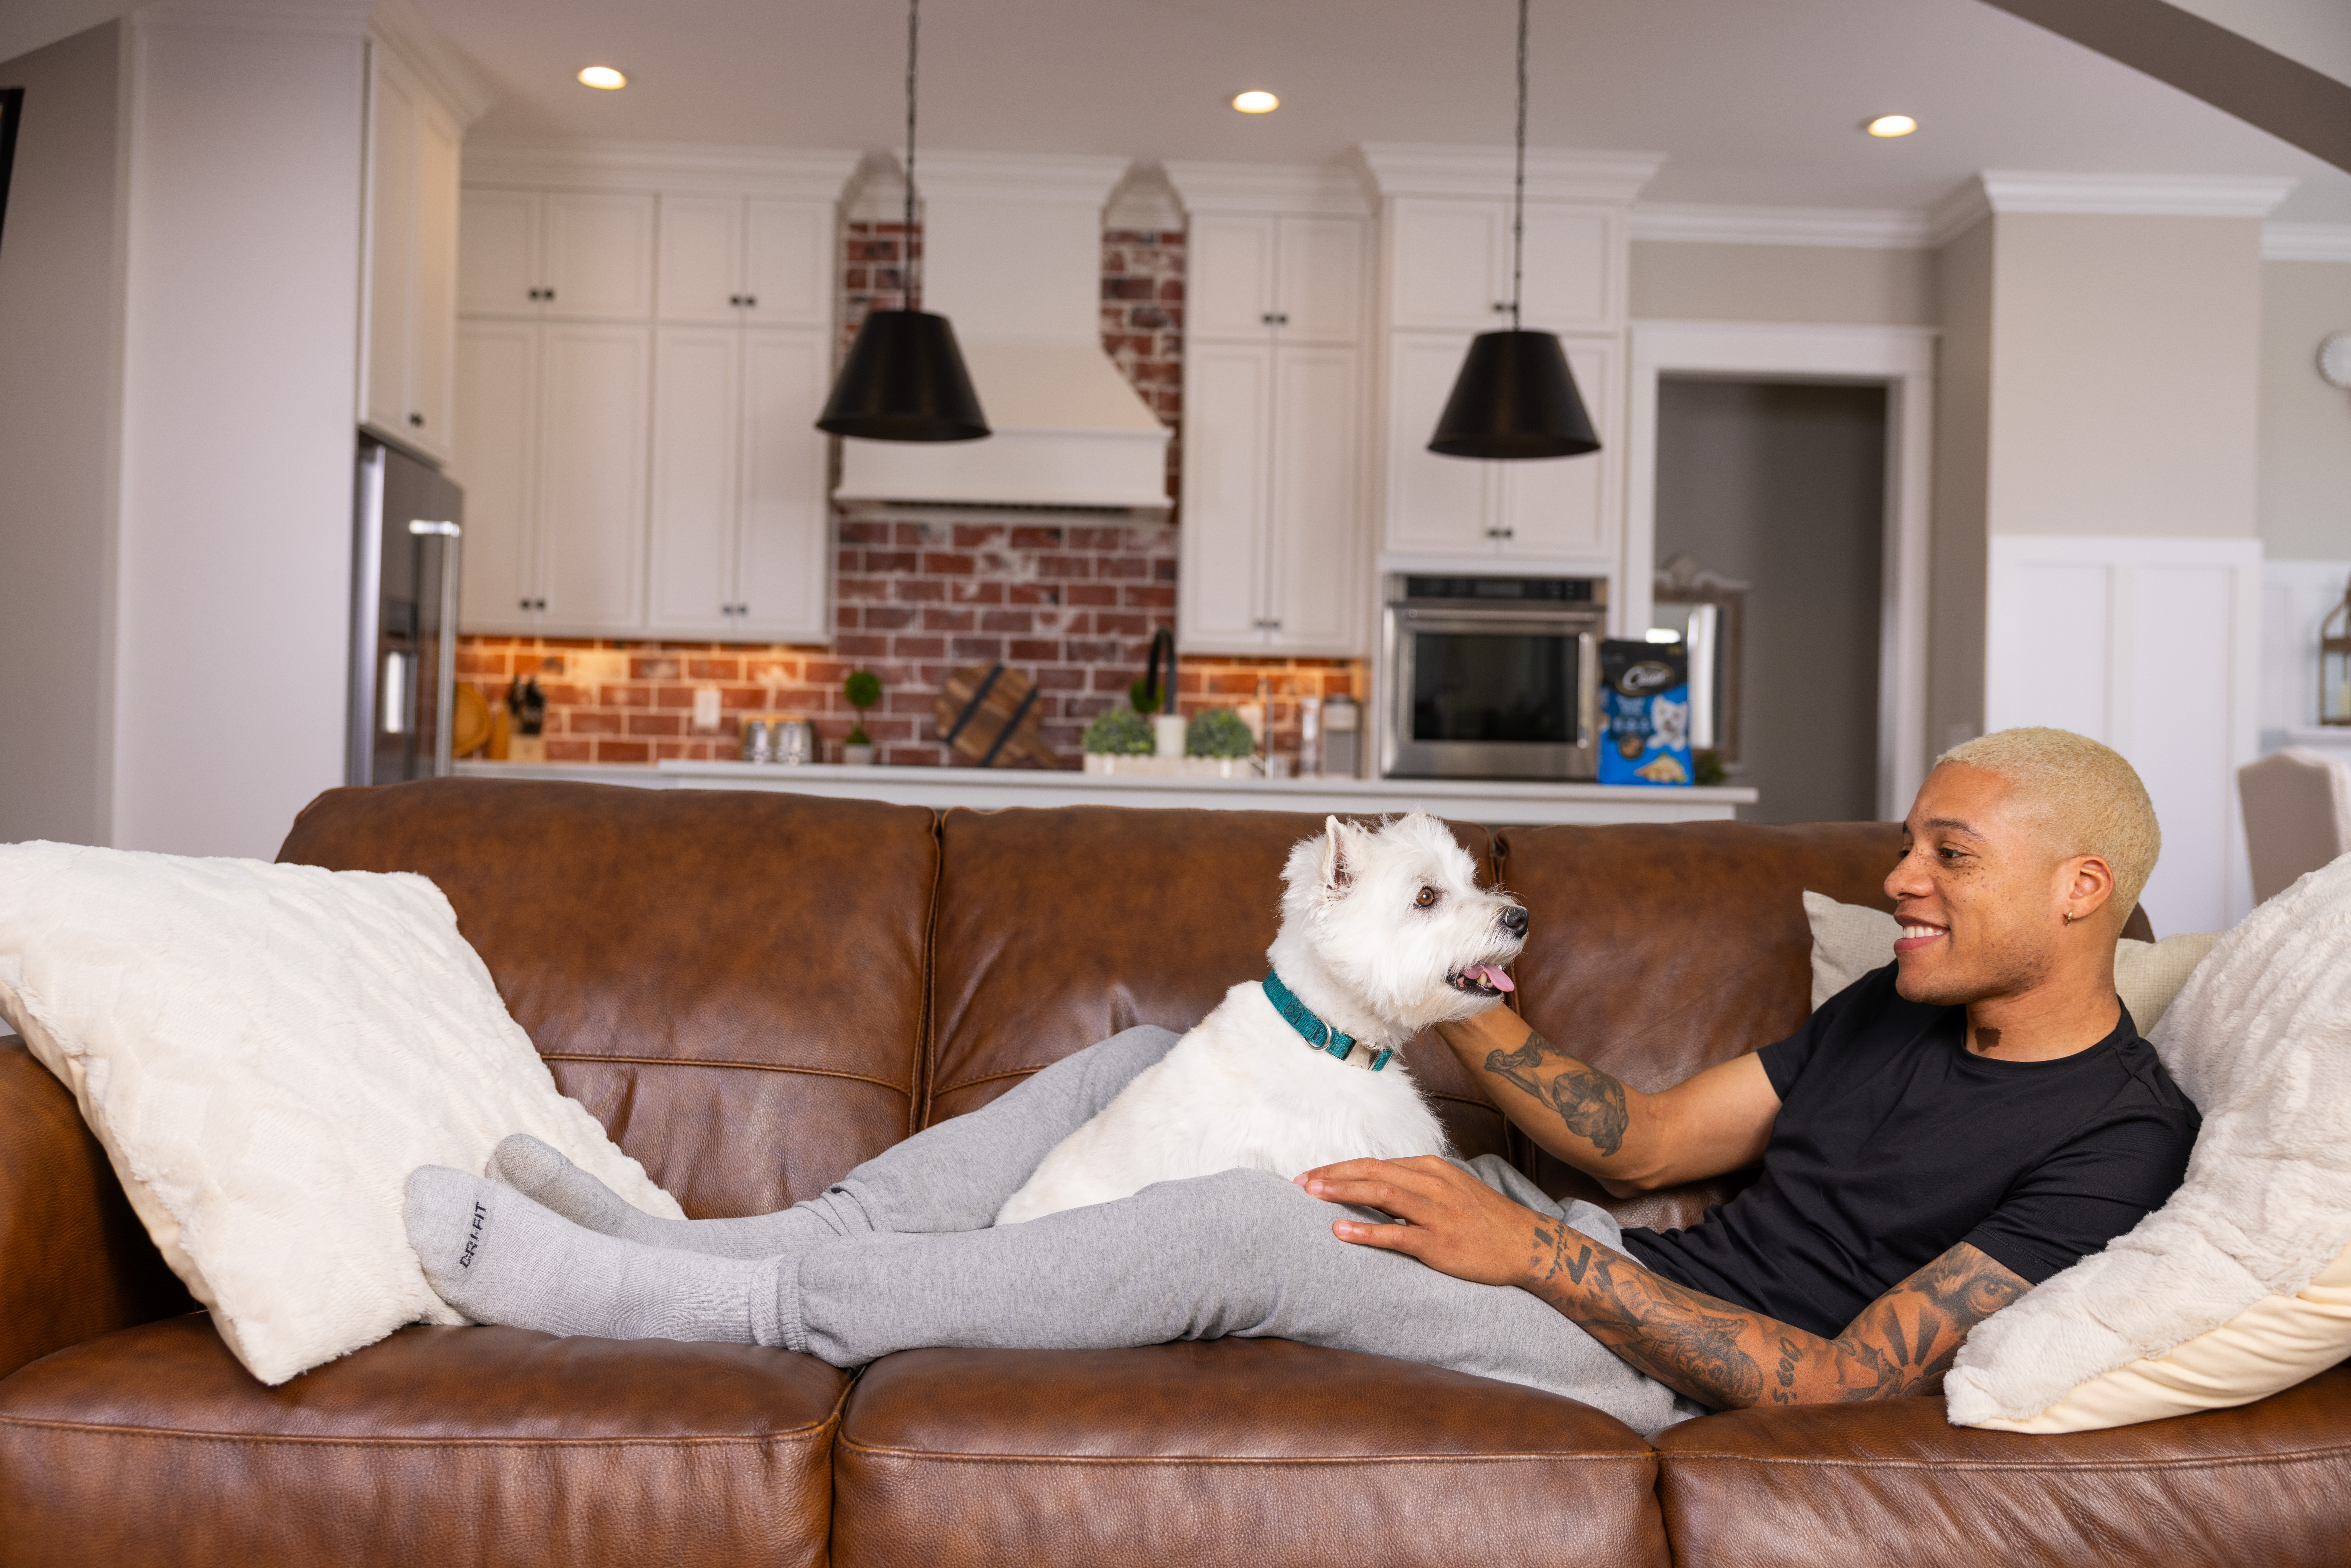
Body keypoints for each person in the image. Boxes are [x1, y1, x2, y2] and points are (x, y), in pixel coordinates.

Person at [404, 727, 2199, 1436]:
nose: (1901, 880)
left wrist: (1545, 1265)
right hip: (1573, 1251)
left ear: (2081, 889)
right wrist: (1413, 978)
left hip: (1639, 1357)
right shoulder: (1894, 1005)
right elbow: (1642, 1139)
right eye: (1906, 847)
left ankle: (694, 1303)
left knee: (1251, 1227)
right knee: (1137, 1051)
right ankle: (711, 1235)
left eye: (1945, 855)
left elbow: (1830, 1378)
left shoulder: (2119, 1136)